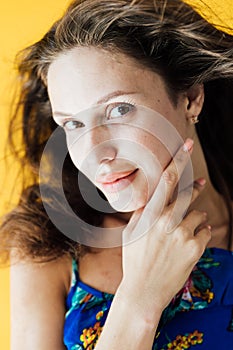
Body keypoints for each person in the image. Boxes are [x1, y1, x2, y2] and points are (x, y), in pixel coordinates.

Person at [1, 0, 233, 348]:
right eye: (73, 124)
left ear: (190, 97)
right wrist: (139, 299)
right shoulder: (46, 244)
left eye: (119, 109)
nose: (94, 152)